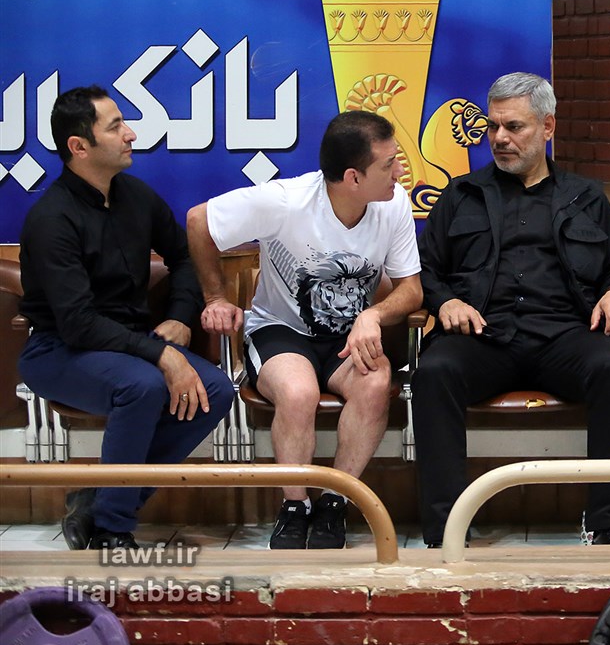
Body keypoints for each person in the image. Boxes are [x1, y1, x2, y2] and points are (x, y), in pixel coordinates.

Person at [413, 72, 610, 548]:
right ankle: (445, 528)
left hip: (564, 335)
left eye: (514, 127)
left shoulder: (585, 196)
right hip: (484, 337)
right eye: (492, 126)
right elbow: (426, 269)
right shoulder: (461, 195)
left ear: (547, 126)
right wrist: (447, 301)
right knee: (434, 371)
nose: (499, 138)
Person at [187, 111, 422, 549]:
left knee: (375, 383)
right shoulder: (285, 201)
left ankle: (335, 501)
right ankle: (294, 506)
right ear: (353, 178)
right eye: (389, 164)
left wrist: (372, 316)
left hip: (349, 335)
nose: (400, 172)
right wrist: (215, 298)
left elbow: (411, 289)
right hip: (281, 330)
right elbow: (199, 221)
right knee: (298, 394)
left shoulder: (394, 204)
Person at [18, 85, 234, 551]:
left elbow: (183, 256)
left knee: (216, 390)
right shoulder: (52, 219)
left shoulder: (136, 195)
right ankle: (112, 530)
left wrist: (180, 317)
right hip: (59, 349)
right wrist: (162, 355)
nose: (131, 134)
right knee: (143, 385)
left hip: (132, 343)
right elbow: (78, 323)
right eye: (115, 127)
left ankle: (101, 501)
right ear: (79, 146)